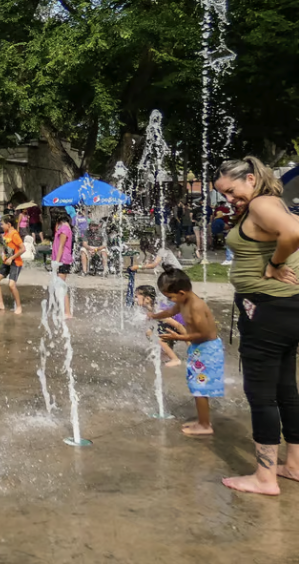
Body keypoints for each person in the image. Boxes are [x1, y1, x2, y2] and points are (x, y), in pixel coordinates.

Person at [214, 157, 299, 495]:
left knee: (261, 394)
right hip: (285, 308)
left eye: (233, 192)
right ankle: (292, 464)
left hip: (267, 311)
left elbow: (293, 233)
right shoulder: (270, 203)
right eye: (224, 195)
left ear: (251, 179)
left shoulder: (263, 203)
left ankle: (264, 478)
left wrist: (274, 264)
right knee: (285, 390)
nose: (230, 200)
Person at [148, 266, 223, 436]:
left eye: (170, 296)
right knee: (196, 385)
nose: (170, 300)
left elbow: (204, 333)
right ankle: (203, 420)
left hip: (207, 349)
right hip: (200, 348)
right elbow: (170, 311)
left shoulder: (195, 307)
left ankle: (205, 425)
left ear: (181, 293)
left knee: (200, 387)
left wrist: (179, 337)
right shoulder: (182, 302)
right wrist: (154, 316)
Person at [134, 285, 184, 367]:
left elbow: (178, 325)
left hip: (185, 327)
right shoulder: (152, 308)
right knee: (153, 330)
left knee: (152, 334)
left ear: (147, 299)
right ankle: (166, 353)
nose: (135, 299)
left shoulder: (158, 311)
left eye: (137, 296)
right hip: (178, 326)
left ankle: (175, 359)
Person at [0, 216, 25, 314]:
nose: (1, 226)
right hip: (6, 262)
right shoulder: (6, 233)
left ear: (9, 224)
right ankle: (0, 304)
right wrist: (2, 253)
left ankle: (19, 306)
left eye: (2, 224)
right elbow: (5, 246)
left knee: (11, 285)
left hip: (15, 263)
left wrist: (11, 258)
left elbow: (23, 249)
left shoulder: (14, 234)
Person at [51, 211, 74, 319]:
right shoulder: (64, 228)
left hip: (63, 260)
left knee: (61, 287)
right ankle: (64, 311)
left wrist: (57, 262)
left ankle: (67, 312)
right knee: (60, 286)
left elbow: (61, 246)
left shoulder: (64, 229)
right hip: (63, 260)